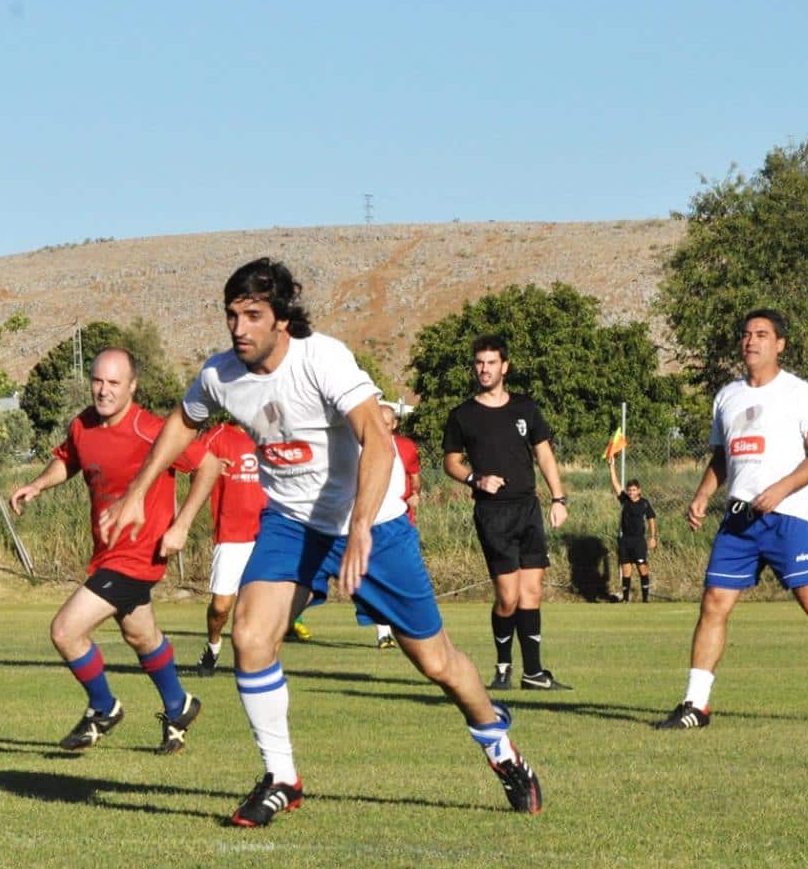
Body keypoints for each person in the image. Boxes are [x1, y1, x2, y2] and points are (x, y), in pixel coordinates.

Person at [103, 258, 542, 825]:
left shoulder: (322, 359)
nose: (240, 328)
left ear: (282, 319)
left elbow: (377, 440)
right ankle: (281, 776)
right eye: (232, 316)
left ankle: (500, 748)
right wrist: (139, 489)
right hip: (292, 525)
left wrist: (360, 526)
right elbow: (184, 422)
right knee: (251, 635)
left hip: (376, 527)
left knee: (437, 663)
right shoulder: (220, 376)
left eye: (253, 315)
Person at [657, 309, 808, 729]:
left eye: (762, 334)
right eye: (746, 334)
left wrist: (781, 488)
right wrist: (704, 494)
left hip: (788, 518)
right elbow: (723, 457)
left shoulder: (799, 393)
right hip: (738, 522)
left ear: (779, 344)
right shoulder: (727, 396)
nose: (751, 341)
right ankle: (696, 705)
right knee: (713, 603)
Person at [9, 348, 214, 754]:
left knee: (66, 631)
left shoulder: (152, 429)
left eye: (114, 383)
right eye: (98, 381)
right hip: (107, 551)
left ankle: (104, 708)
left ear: (132, 387)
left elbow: (209, 465)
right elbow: (69, 460)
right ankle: (179, 704)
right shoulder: (83, 424)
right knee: (140, 635)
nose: (103, 391)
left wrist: (182, 525)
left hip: (138, 553)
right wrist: (37, 484)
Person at [441, 337, 572, 690]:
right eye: (479, 363)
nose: (484, 369)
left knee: (532, 592)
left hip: (527, 508)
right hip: (493, 514)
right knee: (508, 597)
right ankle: (502, 669)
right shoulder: (463, 415)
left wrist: (558, 499)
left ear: (505, 367)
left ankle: (534, 674)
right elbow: (450, 462)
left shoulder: (526, 409)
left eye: (491, 363)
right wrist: (475, 479)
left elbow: (544, 455)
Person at [194, 421, 263, 677]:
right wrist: (208, 469)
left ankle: (254, 661)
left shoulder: (273, 433)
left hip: (268, 534)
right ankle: (213, 646)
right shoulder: (218, 435)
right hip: (231, 535)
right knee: (221, 606)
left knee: (257, 607)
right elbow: (193, 465)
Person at [371, 402, 422, 647]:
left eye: (387, 422)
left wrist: (416, 494)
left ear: (395, 424)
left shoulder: (406, 447)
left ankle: (408, 629)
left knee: (401, 576)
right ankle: (383, 633)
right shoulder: (364, 445)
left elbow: (415, 477)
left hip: (402, 521)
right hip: (373, 521)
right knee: (379, 577)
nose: (383, 426)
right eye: (378, 421)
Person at [608, 455, 657, 602]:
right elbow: (615, 483)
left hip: (638, 541)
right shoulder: (624, 500)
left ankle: (645, 599)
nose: (631, 492)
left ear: (639, 490)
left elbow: (651, 519)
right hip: (625, 540)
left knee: (642, 567)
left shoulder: (644, 503)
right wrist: (611, 466)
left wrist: (653, 537)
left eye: (634, 490)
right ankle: (625, 599)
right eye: (629, 490)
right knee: (626, 569)